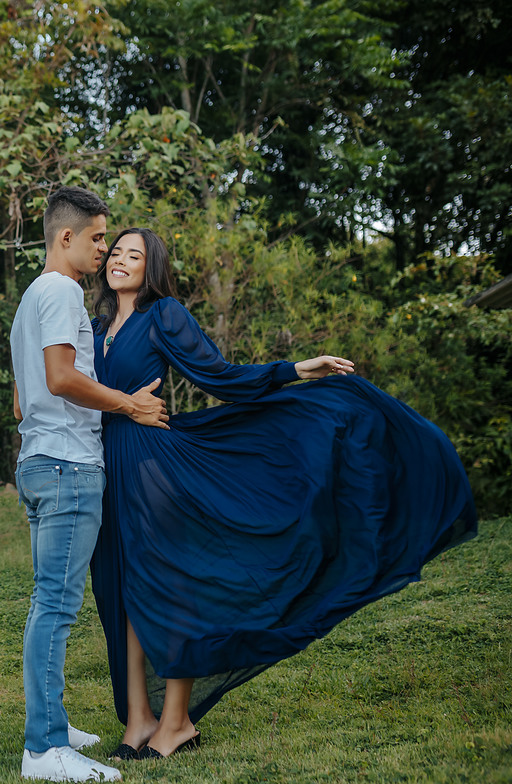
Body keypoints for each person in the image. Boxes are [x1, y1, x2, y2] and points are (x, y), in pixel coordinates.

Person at [87, 227, 477, 761]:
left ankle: (176, 723)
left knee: (170, 588)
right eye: (115, 252)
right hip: (106, 466)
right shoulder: (95, 327)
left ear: (150, 267)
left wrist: (296, 370)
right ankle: (139, 721)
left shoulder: (164, 314)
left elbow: (220, 376)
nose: (120, 260)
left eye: (134, 255)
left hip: (152, 464)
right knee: (126, 592)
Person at [10, 189, 170, 782]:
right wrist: (129, 404)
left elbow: (22, 401)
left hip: (39, 461)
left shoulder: (31, 297)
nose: (104, 248)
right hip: (67, 467)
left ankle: (52, 720)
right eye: (98, 237)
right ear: (66, 238)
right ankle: (44, 749)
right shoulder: (61, 291)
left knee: (47, 603)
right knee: (55, 607)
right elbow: (59, 378)